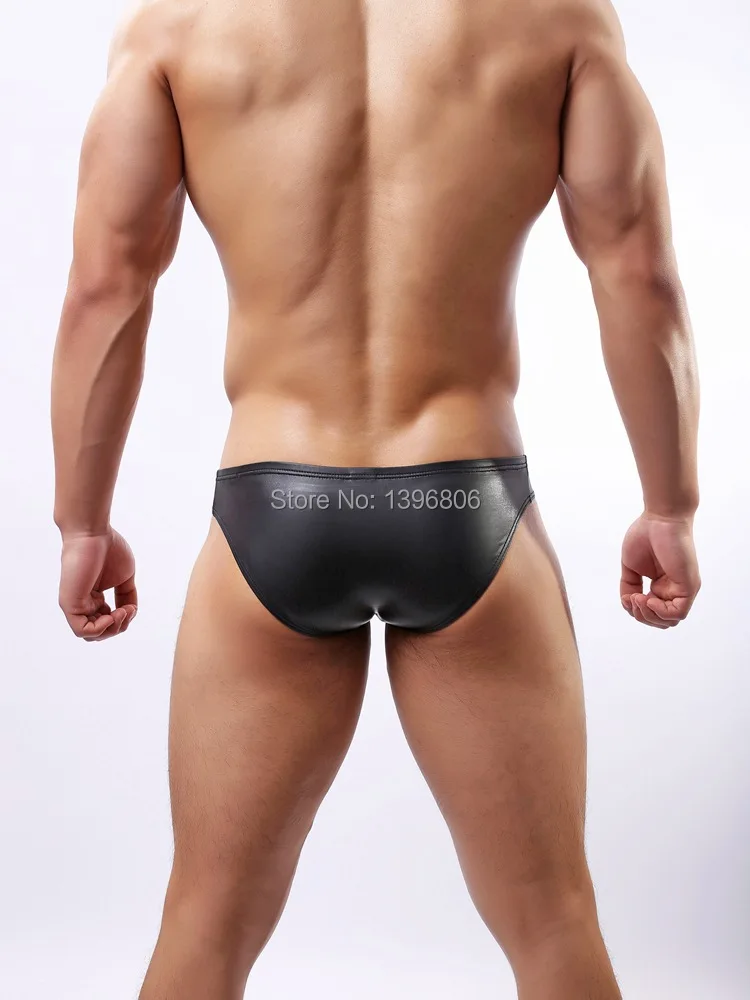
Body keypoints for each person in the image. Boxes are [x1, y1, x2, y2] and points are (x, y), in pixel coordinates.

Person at [50, 0, 701, 997]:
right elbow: (639, 274)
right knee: (554, 920)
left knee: (204, 920)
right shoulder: (558, 18)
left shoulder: (178, 24)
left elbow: (106, 287)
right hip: (467, 501)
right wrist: (671, 506)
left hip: (275, 504)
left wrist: (82, 523)